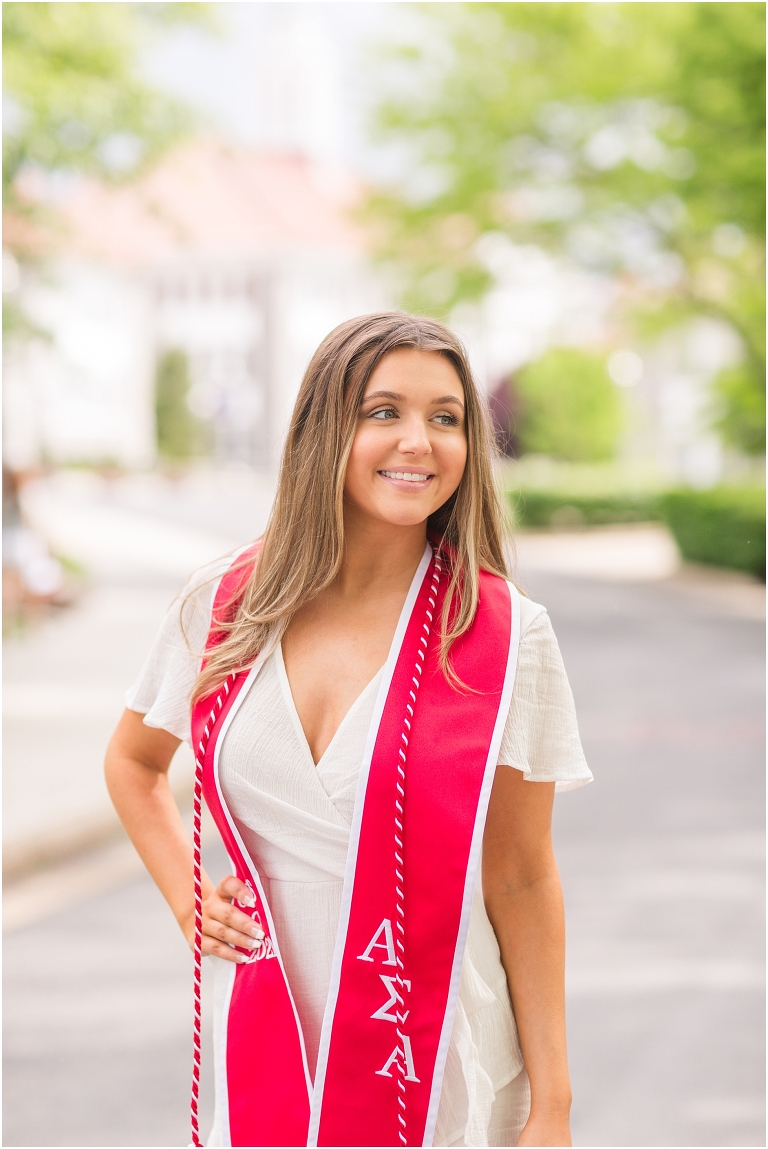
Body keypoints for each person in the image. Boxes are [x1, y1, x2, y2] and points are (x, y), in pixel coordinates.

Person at [105, 312, 592, 1149]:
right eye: (384, 411)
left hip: (436, 1043)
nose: (420, 441)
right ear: (324, 427)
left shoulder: (504, 637)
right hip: (271, 1032)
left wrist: (553, 1104)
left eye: (447, 417)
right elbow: (134, 760)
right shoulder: (224, 606)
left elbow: (519, 877)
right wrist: (189, 900)